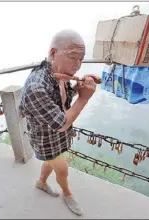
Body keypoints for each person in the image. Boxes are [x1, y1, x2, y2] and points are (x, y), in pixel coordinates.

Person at [19, 29, 101, 216]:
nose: (77, 65)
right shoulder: (37, 87)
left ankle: (41, 183)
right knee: (62, 170)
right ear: (53, 53)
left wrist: (78, 85)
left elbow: (61, 100)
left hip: (58, 136)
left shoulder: (56, 72)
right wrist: (84, 98)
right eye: (73, 57)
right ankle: (68, 194)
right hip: (46, 138)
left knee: (51, 163)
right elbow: (62, 123)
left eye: (81, 59)